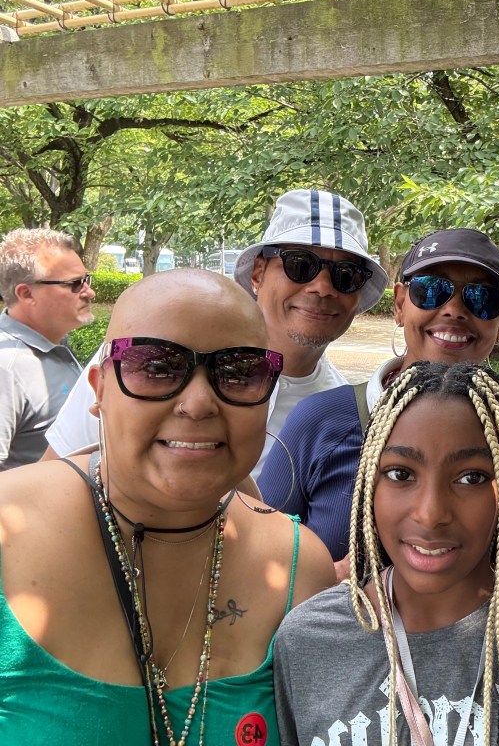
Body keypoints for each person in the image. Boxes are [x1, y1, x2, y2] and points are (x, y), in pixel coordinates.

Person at [0, 269, 336, 745]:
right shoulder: (8, 529)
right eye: (156, 367)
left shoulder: (300, 568)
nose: (198, 404)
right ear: (99, 389)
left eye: (239, 372)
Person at [273, 361, 499, 746]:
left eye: (471, 478)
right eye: (401, 474)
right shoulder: (307, 642)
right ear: (369, 483)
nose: (431, 513)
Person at [43, 189, 387, 479]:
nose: (322, 287)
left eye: (346, 275)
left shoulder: (343, 413)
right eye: (301, 265)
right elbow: (53, 478)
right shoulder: (144, 357)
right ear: (258, 273)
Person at [258, 228, 499, 565]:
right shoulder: (321, 421)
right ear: (400, 304)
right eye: (430, 290)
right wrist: (330, 580)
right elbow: (256, 556)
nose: (453, 310)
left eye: (482, 297)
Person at [0, 228, 95, 469]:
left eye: (86, 280)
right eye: (75, 284)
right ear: (26, 293)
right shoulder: (6, 367)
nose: (89, 292)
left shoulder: (55, 344)